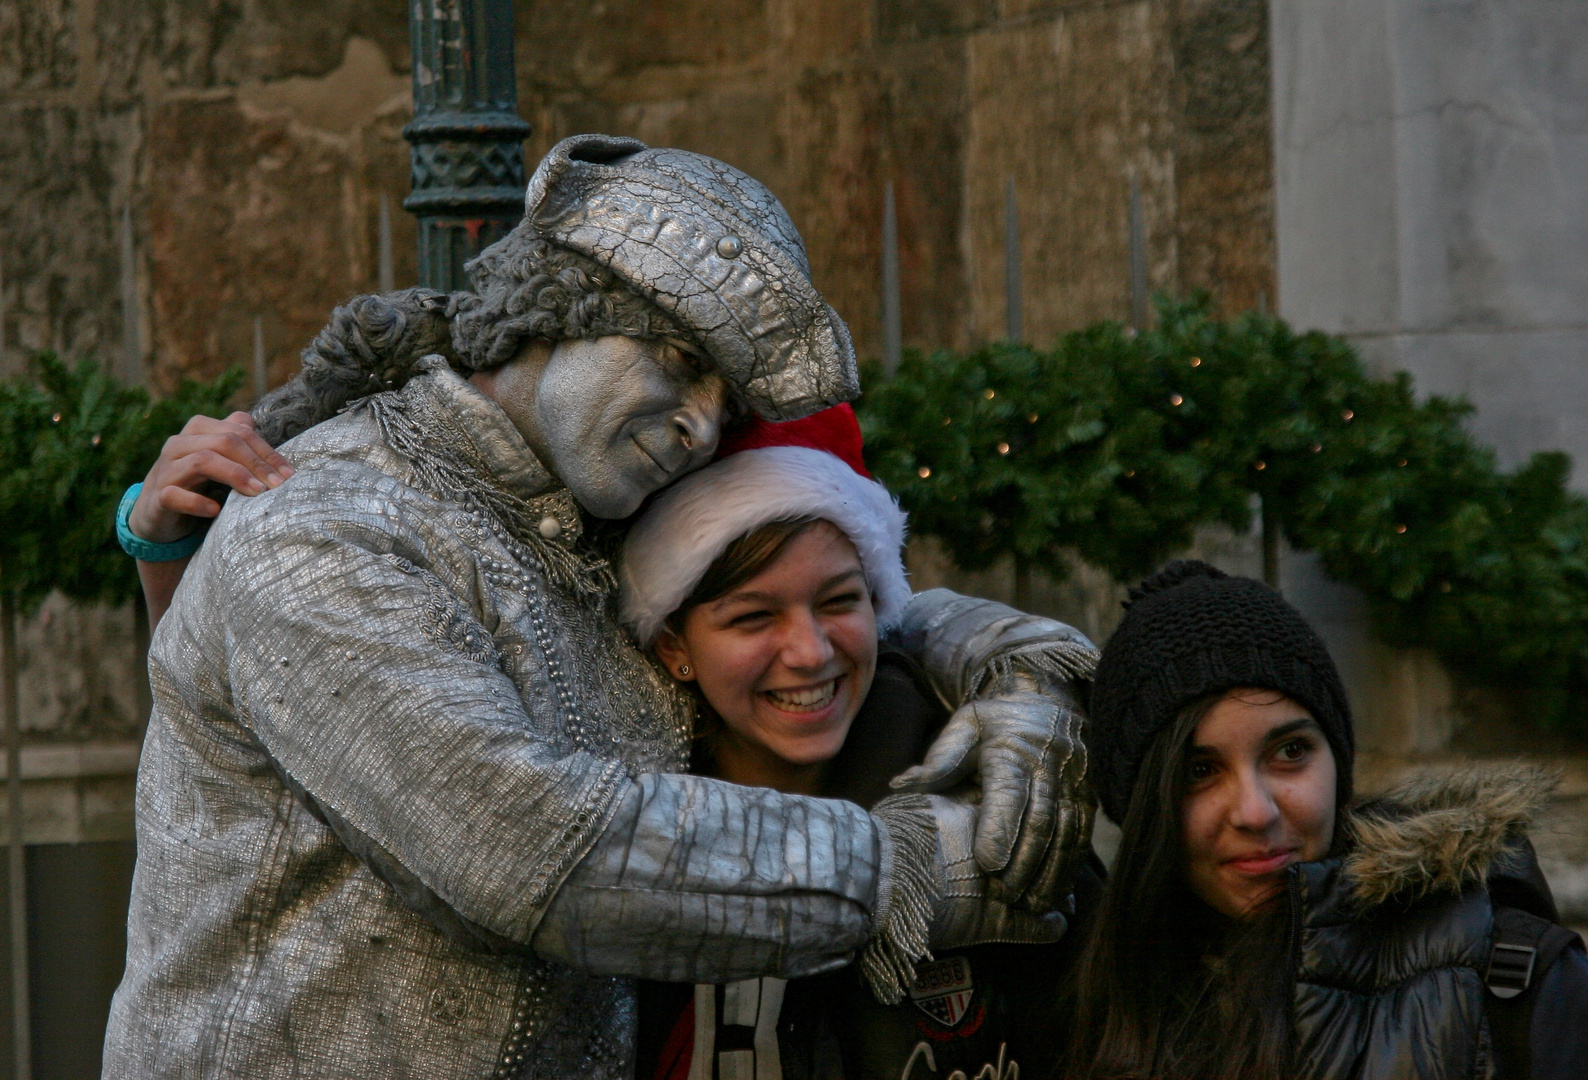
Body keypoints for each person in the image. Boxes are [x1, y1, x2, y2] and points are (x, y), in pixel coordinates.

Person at [104, 134, 1097, 1079]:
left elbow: (835, 596)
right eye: (679, 358)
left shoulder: (583, 499)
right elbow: (525, 847)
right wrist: (911, 871)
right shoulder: (326, 523)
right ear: (554, 313)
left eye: (727, 396)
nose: (703, 425)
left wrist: (1024, 678)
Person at [613, 403, 1097, 1080]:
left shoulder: (1002, 810)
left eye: (840, 602)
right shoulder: (619, 834)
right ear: (673, 646)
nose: (810, 653)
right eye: (754, 617)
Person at [1065, 560, 1588, 1080]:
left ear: (1338, 760)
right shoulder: (1076, 999)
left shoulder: (1517, 980)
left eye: (1290, 750)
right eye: (1199, 770)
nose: (1255, 811)